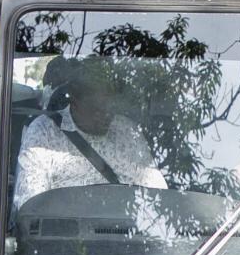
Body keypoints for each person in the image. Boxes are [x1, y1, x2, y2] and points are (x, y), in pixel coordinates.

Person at [11, 56, 167, 211]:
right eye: (97, 108)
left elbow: (159, 196)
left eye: (110, 108)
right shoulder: (44, 133)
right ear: (74, 99)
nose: (106, 115)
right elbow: (30, 207)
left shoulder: (127, 131)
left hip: (126, 231)